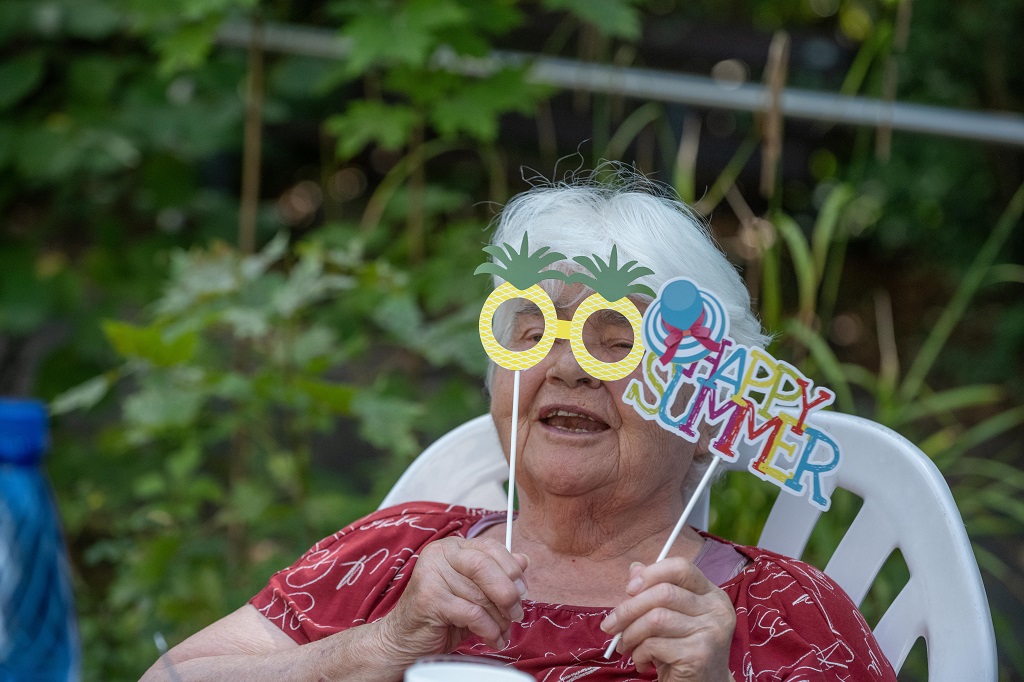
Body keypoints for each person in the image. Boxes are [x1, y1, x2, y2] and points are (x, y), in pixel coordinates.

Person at [141, 171, 897, 681]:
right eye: (532, 332)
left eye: (617, 341)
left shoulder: (785, 616)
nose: (567, 369)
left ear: (708, 412)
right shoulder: (399, 558)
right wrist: (382, 644)